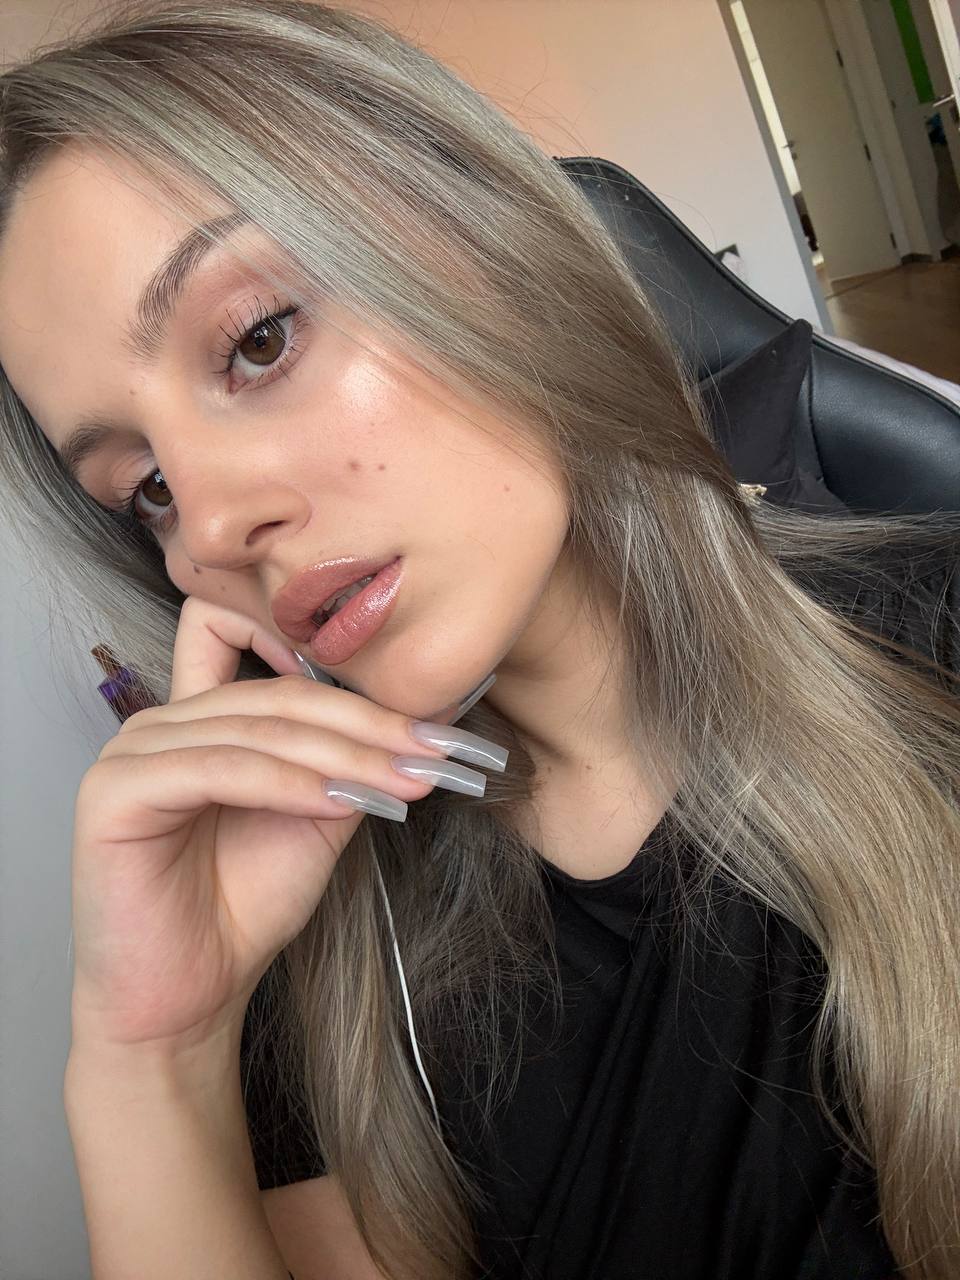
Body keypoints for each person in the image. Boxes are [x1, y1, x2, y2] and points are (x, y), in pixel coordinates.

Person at [0, 3, 957, 1278]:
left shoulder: (935, 649)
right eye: (148, 488)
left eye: (259, 338)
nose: (215, 526)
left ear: (480, 242)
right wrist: (149, 1056)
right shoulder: (326, 957)